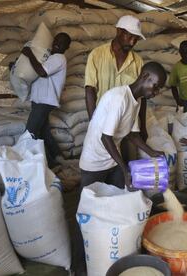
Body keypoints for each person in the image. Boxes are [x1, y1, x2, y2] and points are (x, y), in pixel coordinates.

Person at [74, 62, 167, 275]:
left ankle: (116, 247)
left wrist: (152, 152)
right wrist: (124, 168)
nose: (157, 91)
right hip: (94, 161)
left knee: (123, 199)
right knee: (85, 213)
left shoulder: (136, 101)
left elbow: (132, 135)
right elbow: (105, 138)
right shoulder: (119, 98)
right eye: (156, 85)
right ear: (145, 76)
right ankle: (79, 264)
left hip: (111, 160)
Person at [84, 15, 148, 140]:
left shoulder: (138, 62)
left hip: (128, 125)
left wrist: (143, 126)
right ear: (118, 31)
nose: (132, 42)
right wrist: (94, 122)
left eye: (136, 39)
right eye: (129, 37)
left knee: (128, 157)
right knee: (106, 156)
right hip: (103, 120)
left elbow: (141, 98)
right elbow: (90, 90)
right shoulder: (97, 55)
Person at [22, 32, 71, 167]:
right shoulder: (50, 58)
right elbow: (36, 71)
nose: (57, 43)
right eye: (56, 40)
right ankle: (59, 159)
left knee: (30, 133)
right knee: (44, 133)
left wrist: (29, 53)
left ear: (67, 47)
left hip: (44, 102)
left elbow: (42, 72)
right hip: (39, 100)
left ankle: (49, 164)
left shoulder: (59, 58)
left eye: (61, 42)